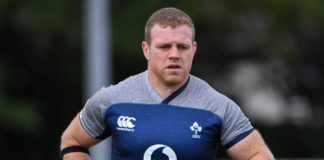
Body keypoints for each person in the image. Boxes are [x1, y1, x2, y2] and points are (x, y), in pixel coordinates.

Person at [60, 7, 274, 160]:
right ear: (146, 50)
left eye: (182, 46)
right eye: (164, 47)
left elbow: (257, 154)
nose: (174, 55)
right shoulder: (112, 99)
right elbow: (72, 141)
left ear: (194, 49)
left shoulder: (218, 106)